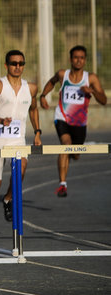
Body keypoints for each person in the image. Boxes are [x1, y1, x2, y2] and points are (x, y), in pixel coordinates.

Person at [0, 50, 41, 233]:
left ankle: (8, 198)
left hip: (17, 141)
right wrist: (0, 120)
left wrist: (37, 132)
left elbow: (34, 109)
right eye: (14, 63)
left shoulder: (31, 88)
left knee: (21, 167)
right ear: (6, 65)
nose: (18, 67)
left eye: (21, 63)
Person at [40, 45, 107, 197]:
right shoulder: (63, 74)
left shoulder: (91, 78)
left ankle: (71, 155)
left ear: (85, 60)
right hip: (62, 118)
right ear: (70, 59)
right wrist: (43, 95)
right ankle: (62, 184)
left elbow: (104, 100)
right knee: (66, 145)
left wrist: (93, 92)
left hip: (80, 123)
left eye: (82, 58)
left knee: (75, 154)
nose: (78, 60)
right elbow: (52, 81)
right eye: (76, 57)